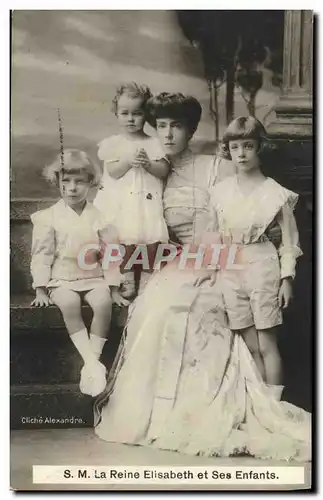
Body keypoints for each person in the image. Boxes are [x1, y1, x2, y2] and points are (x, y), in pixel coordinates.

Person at [94, 93, 311, 461]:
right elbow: (126, 220)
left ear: (192, 130)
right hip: (170, 261)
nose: (167, 135)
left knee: (203, 310)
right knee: (160, 309)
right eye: (160, 126)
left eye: (177, 126)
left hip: (224, 261)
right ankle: (163, 417)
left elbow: (244, 211)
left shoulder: (216, 166)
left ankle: (230, 407)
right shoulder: (145, 168)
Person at [205, 116, 302, 387]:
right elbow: (213, 236)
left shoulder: (275, 193)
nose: (241, 153)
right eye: (235, 147)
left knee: (267, 342)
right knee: (250, 345)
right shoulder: (219, 192)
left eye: (248, 145)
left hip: (263, 266)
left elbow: (289, 242)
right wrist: (212, 272)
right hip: (231, 268)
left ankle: (275, 407)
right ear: (228, 150)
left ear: (260, 147)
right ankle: (261, 404)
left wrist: (287, 279)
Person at [30, 149, 129, 398]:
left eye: (79, 182)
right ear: (57, 183)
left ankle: (91, 363)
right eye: (66, 181)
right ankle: (92, 363)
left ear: (91, 184)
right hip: (61, 280)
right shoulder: (49, 217)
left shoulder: (99, 217)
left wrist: (114, 287)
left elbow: (110, 254)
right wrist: (41, 288)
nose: (72, 188)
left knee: (103, 303)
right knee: (70, 303)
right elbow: (41, 254)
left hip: (93, 277)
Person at [93, 83, 170, 298]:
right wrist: (127, 160)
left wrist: (148, 165)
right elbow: (113, 171)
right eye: (124, 113)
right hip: (123, 203)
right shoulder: (114, 144)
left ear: (146, 115)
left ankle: (147, 277)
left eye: (137, 113)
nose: (130, 118)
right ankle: (126, 277)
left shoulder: (155, 143)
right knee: (124, 239)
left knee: (149, 238)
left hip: (146, 202)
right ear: (116, 114)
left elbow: (163, 170)